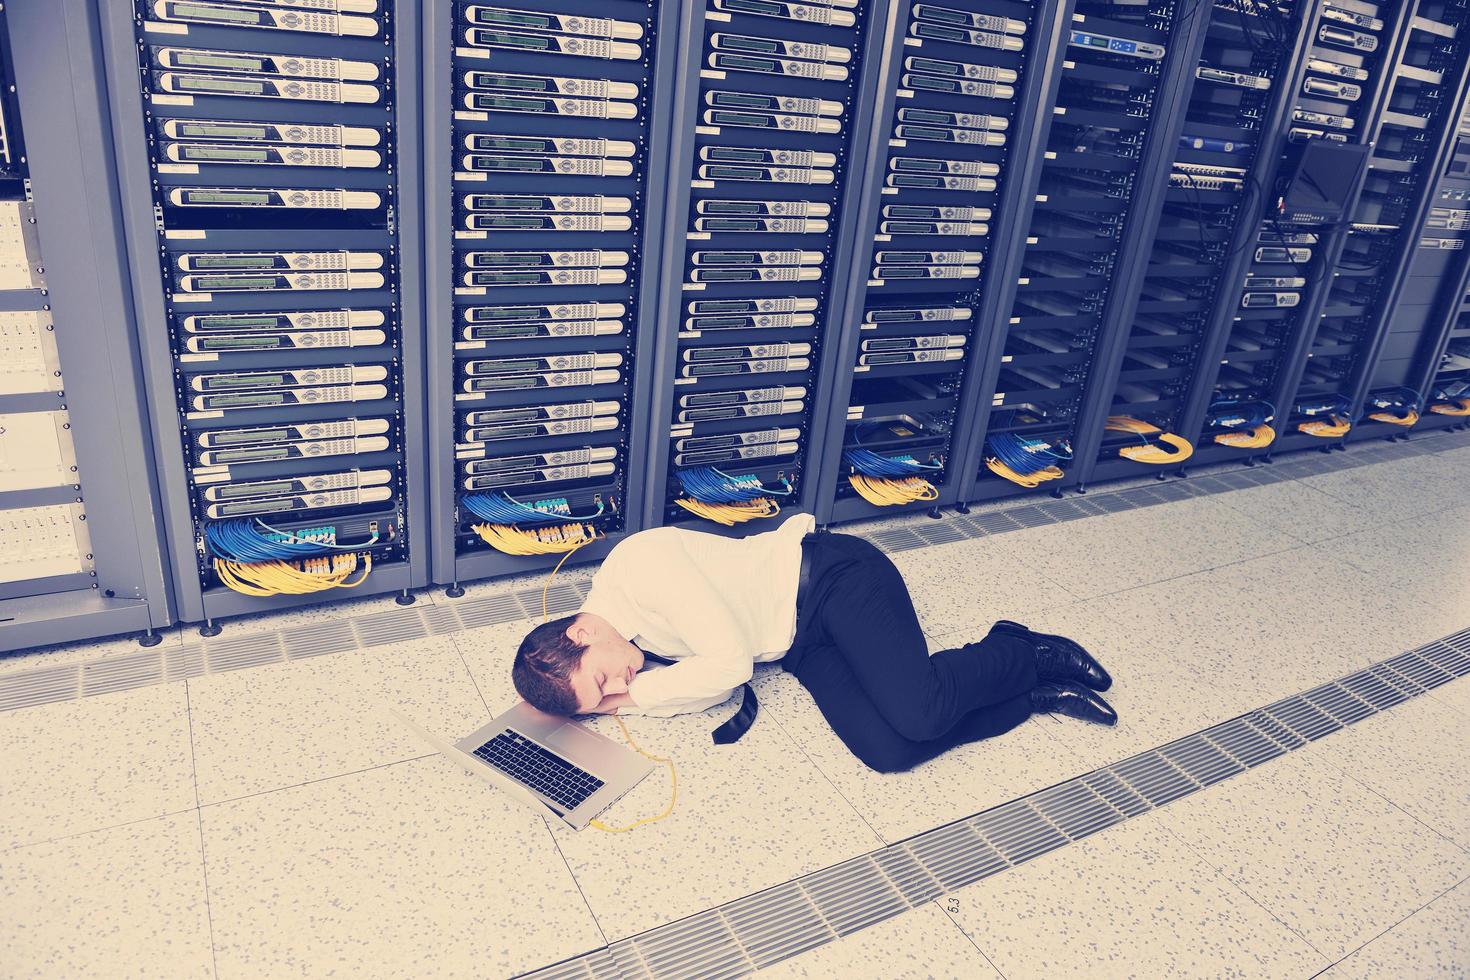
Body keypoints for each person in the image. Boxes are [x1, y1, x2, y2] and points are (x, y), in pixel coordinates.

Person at [511, 513, 1118, 773]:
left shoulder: (641, 567)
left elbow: (724, 666)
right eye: (604, 701)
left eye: (603, 681)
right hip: (797, 642)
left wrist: (629, 700)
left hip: (835, 581)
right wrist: (620, 697)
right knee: (891, 752)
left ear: (582, 632)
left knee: (923, 709)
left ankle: (1021, 650)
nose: (621, 686)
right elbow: (706, 693)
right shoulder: (621, 646)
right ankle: (1029, 696)